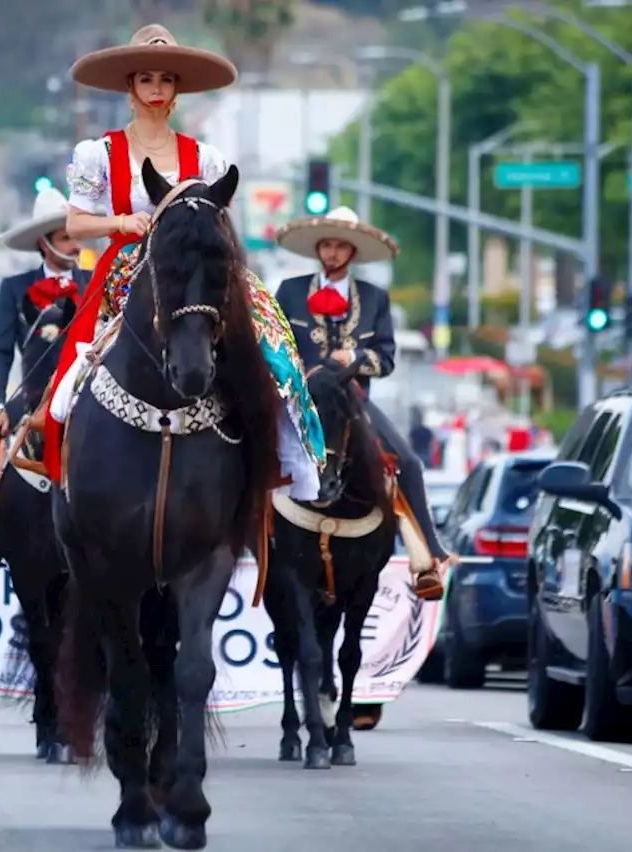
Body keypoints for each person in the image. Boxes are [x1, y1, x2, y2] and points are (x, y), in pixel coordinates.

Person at [35, 24, 326, 511]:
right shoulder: (99, 154)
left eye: (165, 80)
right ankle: (62, 458)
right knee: (69, 377)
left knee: (268, 335)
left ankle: (286, 451)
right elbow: (76, 223)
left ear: (176, 90)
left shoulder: (204, 157)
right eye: (145, 78)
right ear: (130, 86)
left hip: (195, 266)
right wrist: (122, 220)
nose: (155, 88)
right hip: (130, 265)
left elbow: (215, 220)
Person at [272, 206, 450, 599]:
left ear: (352, 253)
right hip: (299, 401)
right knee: (243, 449)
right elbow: (275, 345)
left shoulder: (374, 298)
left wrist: (353, 360)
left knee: (406, 461)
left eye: (340, 247)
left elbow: (386, 358)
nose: (332, 253)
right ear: (318, 248)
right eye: (327, 245)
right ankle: (228, 545)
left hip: (351, 402)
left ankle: (428, 557)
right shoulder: (288, 290)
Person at [0, 186, 91, 571]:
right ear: (45, 243)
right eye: (66, 237)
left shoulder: (96, 282)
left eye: (76, 235)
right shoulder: (13, 290)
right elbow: (0, 352)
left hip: (85, 387)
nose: (75, 244)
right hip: (32, 394)